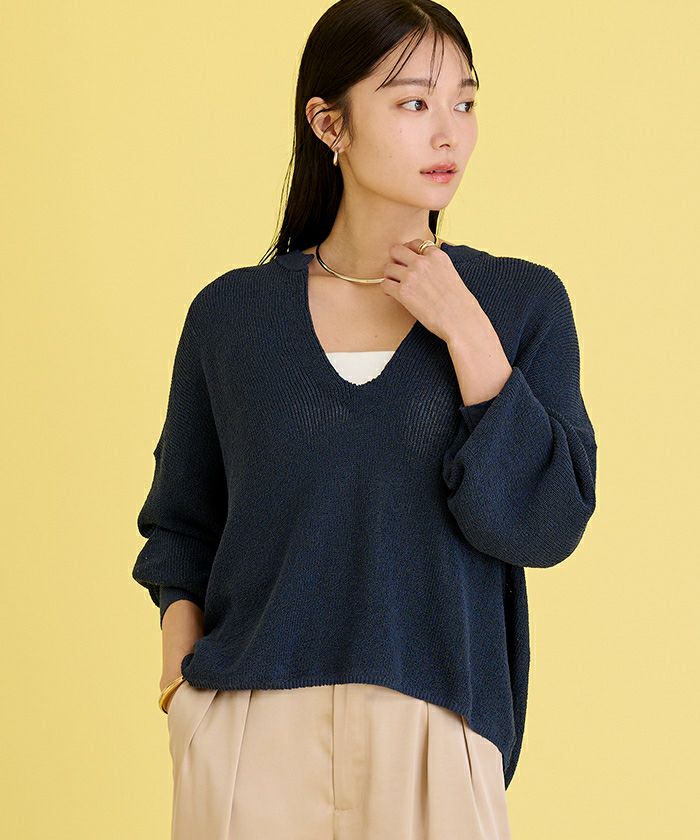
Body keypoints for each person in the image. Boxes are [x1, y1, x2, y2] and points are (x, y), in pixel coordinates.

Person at [132, 2, 597, 838]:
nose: (449, 132)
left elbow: (547, 522)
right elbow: (182, 525)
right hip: (248, 730)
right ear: (329, 124)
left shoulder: (520, 303)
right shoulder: (232, 317)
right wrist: (183, 693)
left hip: (436, 730)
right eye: (414, 102)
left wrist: (466, 331)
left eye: (465, 102)